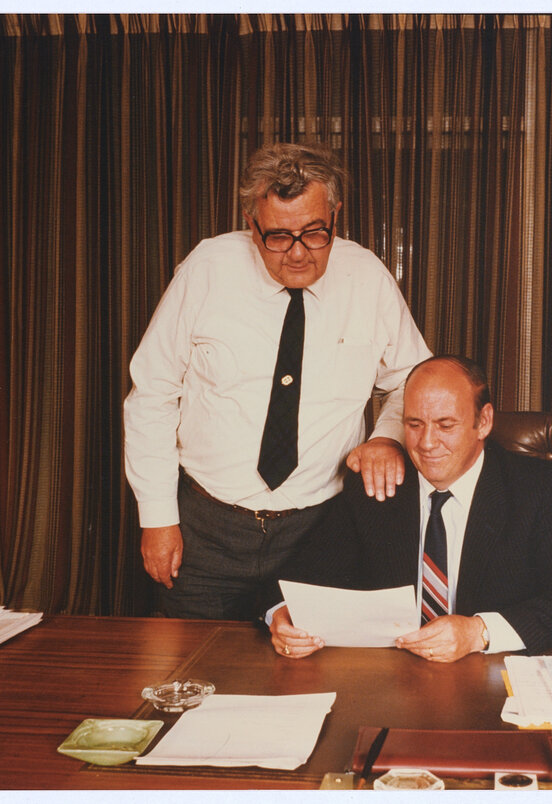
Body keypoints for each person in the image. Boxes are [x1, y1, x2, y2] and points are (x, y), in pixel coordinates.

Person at [123, 142, 431, 619]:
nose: (298, 254)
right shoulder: (207, 268)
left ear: (336, 215)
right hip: (204, 529)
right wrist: (158, 518)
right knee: (192, 673)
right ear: (252, 225)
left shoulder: (366, 275)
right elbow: (152, 394)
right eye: (279, 237)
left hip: (318, 531)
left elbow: (413, 377)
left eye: (314, 233)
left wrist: (387, 438)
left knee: (304, 679)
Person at [267, 355, 552, 661]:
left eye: (446, 425)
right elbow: (297, 579)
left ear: (484, 422)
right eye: (414, 424)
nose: (427, 443)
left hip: (490, 680)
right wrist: (283, 615)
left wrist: (479, 632)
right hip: (391, 680)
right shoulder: (377, 484)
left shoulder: (531, 487)